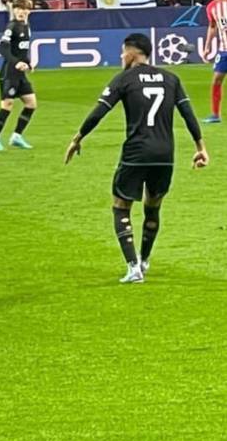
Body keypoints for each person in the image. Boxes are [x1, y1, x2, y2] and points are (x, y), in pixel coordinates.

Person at [64, 33, 208, 283]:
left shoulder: (124, 79)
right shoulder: (171, 79)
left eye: (123, 53)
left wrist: (77, 138)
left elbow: (99, 112)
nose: (121, 57)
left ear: (131, 53)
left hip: (136, 153)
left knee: (120, 207)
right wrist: (200, 147)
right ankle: (144, 260)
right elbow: (188, 114)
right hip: (165, 155)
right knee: (153, 207)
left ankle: (133, 268)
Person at [0, 0, 37, 151]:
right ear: (14, 10)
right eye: (19, 9)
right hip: (9, 72)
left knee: (31, 103)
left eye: (25, 9)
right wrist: (17, 63)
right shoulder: (12, 26)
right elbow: (3, 48)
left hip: (20, 74)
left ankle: (17, 136)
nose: (22, 12)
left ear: (29, 11)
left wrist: (28, 63)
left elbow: (22, 49)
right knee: (7, 106)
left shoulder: (26, 26)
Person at [202, 0, 227, 124]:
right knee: (217, 80)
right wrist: (207, 47)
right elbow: (212, 27)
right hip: (224, 49)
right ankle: (215, 114)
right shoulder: (211, 7)